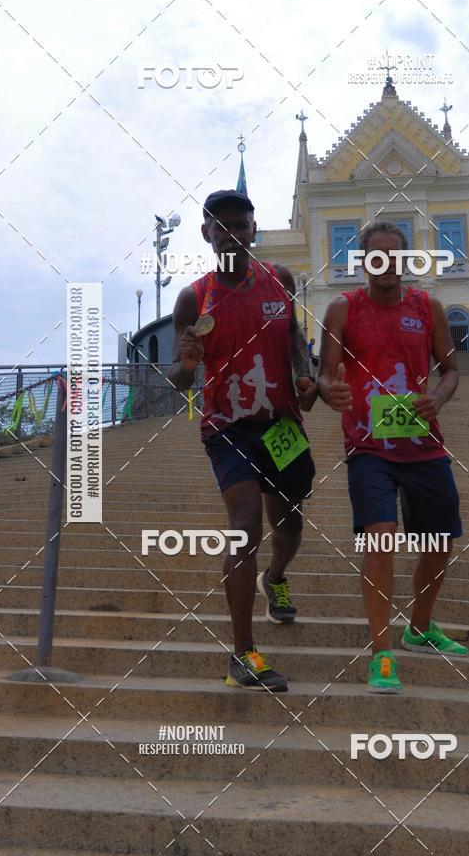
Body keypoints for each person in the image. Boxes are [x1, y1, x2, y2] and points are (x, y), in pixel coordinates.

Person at [168, 190, 317, 692]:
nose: (232, 233)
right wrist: (186, 364)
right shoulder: (195, 297)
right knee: (244, 527)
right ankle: (243, 653)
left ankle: (276, 575)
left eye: (241, 224)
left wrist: (305, 374)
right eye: (221, 225)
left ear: (254, 229)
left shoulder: (281, 280)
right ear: (206, 233)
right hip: (227, 427)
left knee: (290, 524)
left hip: (282, 425)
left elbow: (295, 338)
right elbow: (178, 381)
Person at [317, 220, 468, 694]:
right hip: (368, 445)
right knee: (380, 539)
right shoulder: (342, 309)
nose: (384, 263)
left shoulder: (428, 307)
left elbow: (451, 370)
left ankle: (419, 627)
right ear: (362, 261)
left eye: (394, 255)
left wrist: (438, 399)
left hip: (423, 443)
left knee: (439, 542)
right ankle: (382, 652)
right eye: (374, 255)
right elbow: (324, 374)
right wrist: (331, 391)